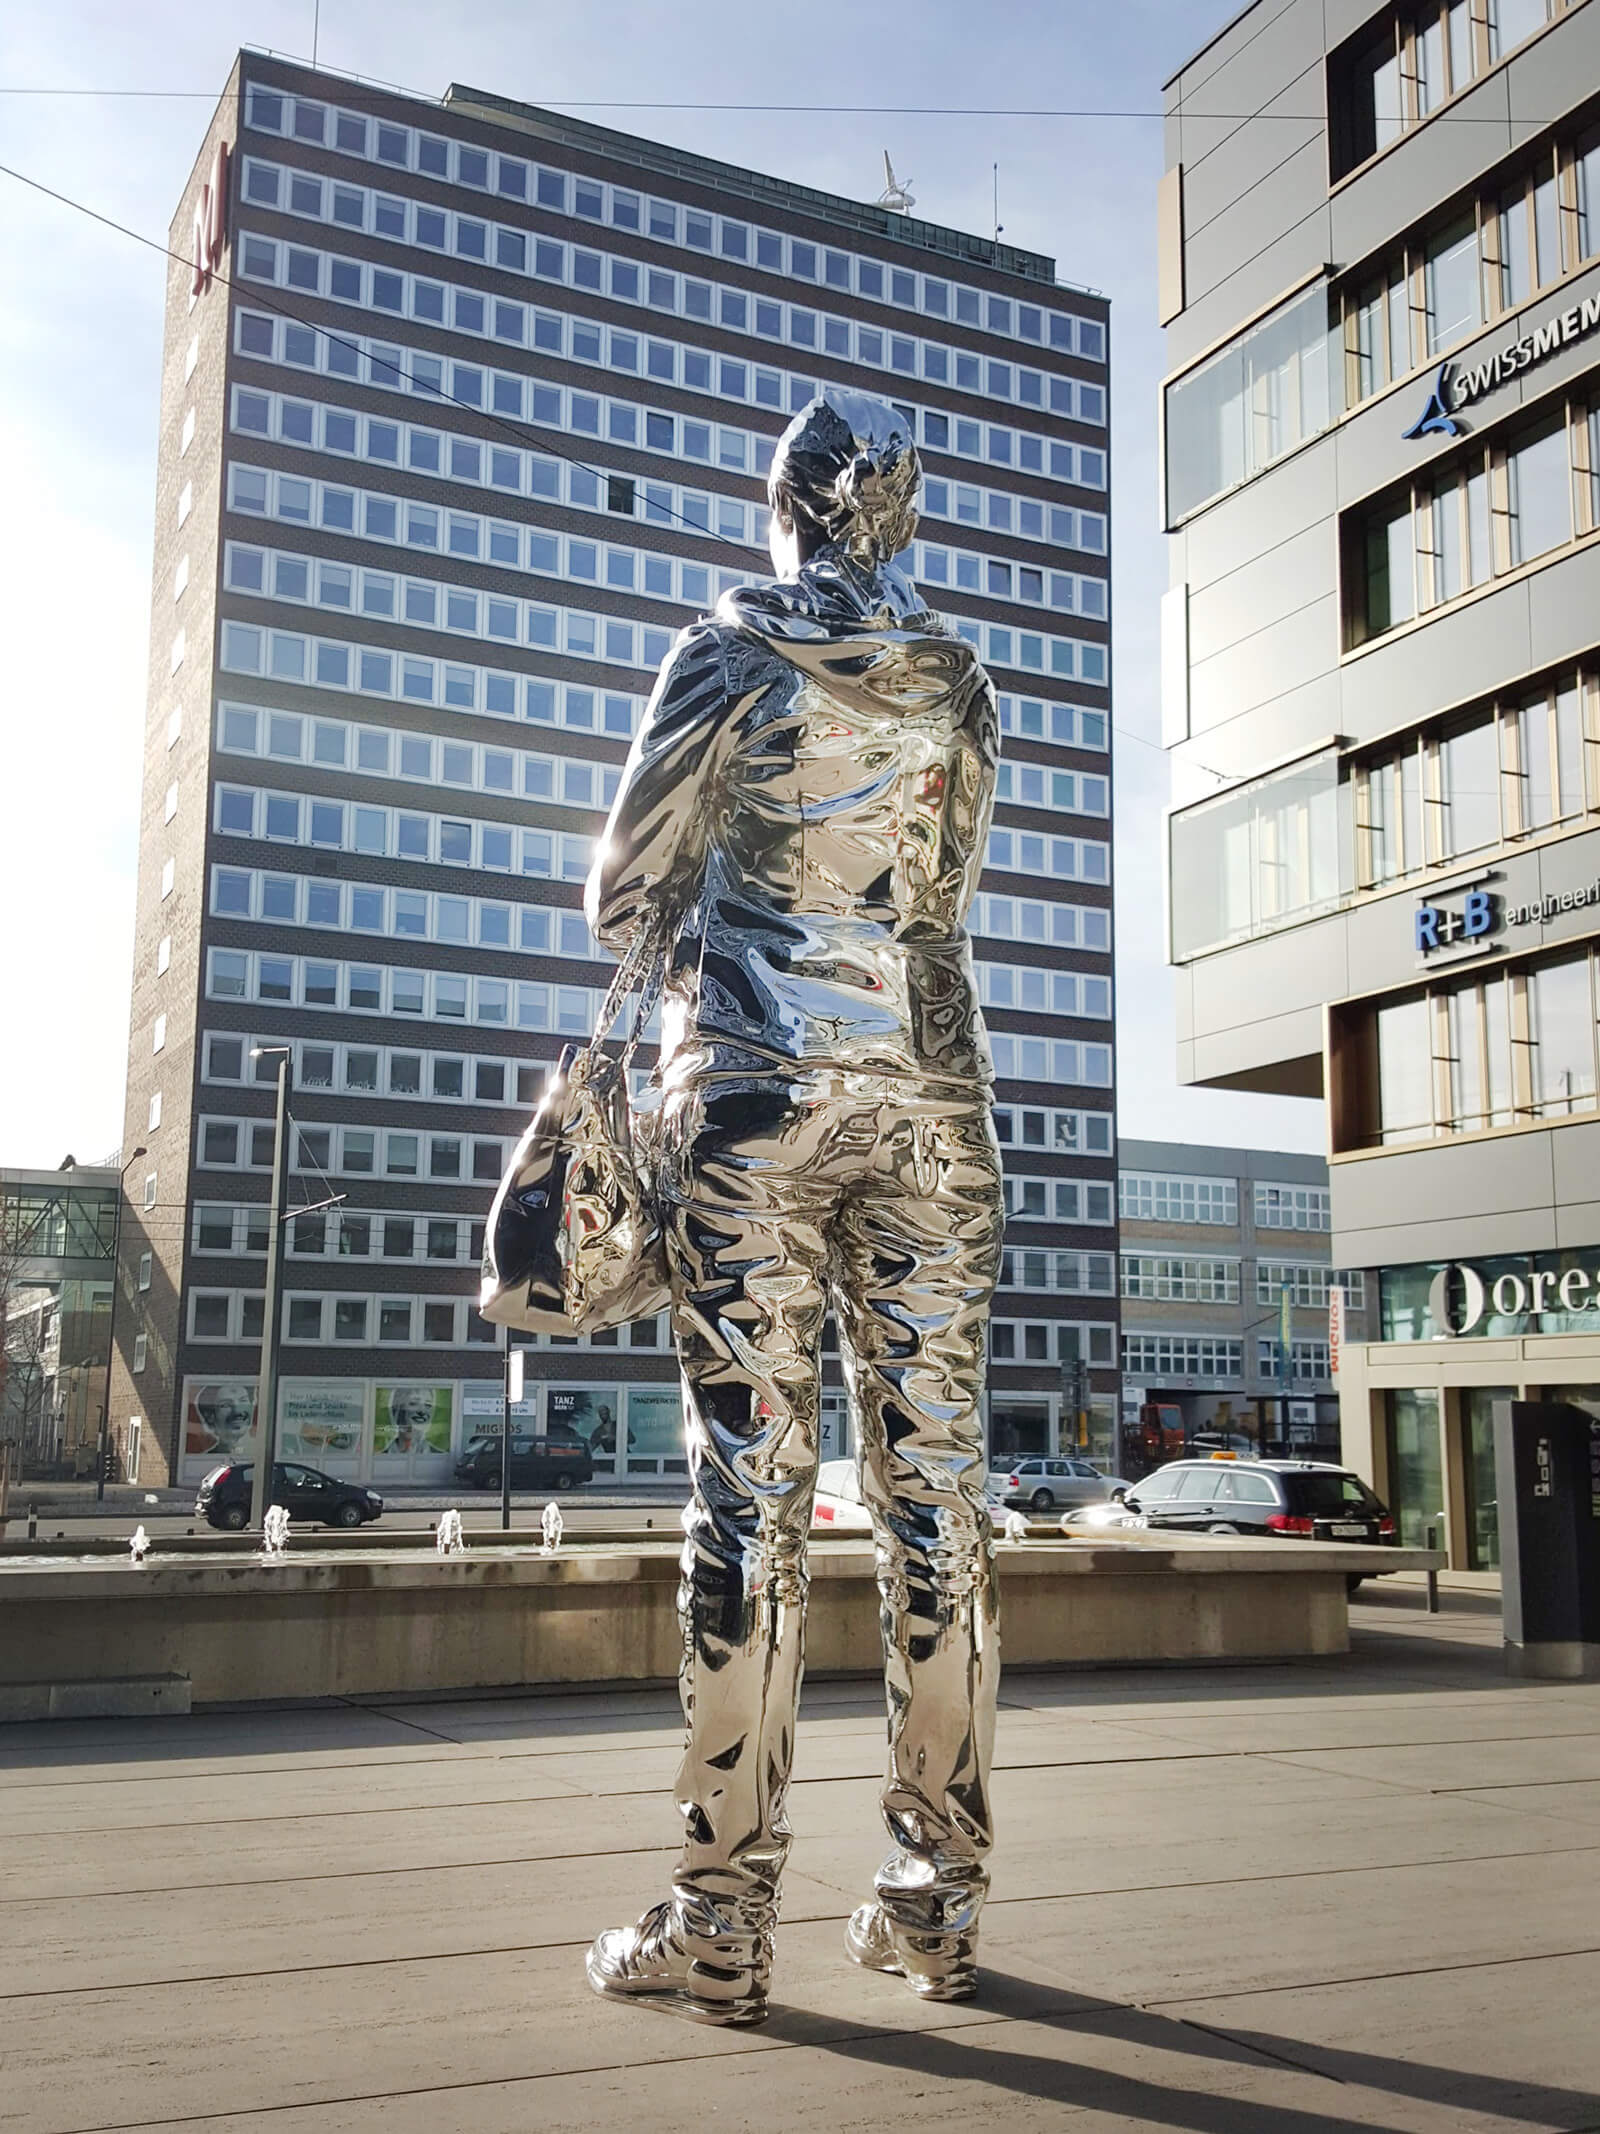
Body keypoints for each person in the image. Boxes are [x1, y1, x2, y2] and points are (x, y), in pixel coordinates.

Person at [583, 387, 1005, 2027]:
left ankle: (721, 1910)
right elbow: (946, 889)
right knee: (940, 1500)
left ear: (785, 509)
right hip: (933, 1108)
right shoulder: (962, 680)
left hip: (755, 1105)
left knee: (747, 1502)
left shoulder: (724, 656)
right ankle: (937, 1896)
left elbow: (623, 890)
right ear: (897, 522)